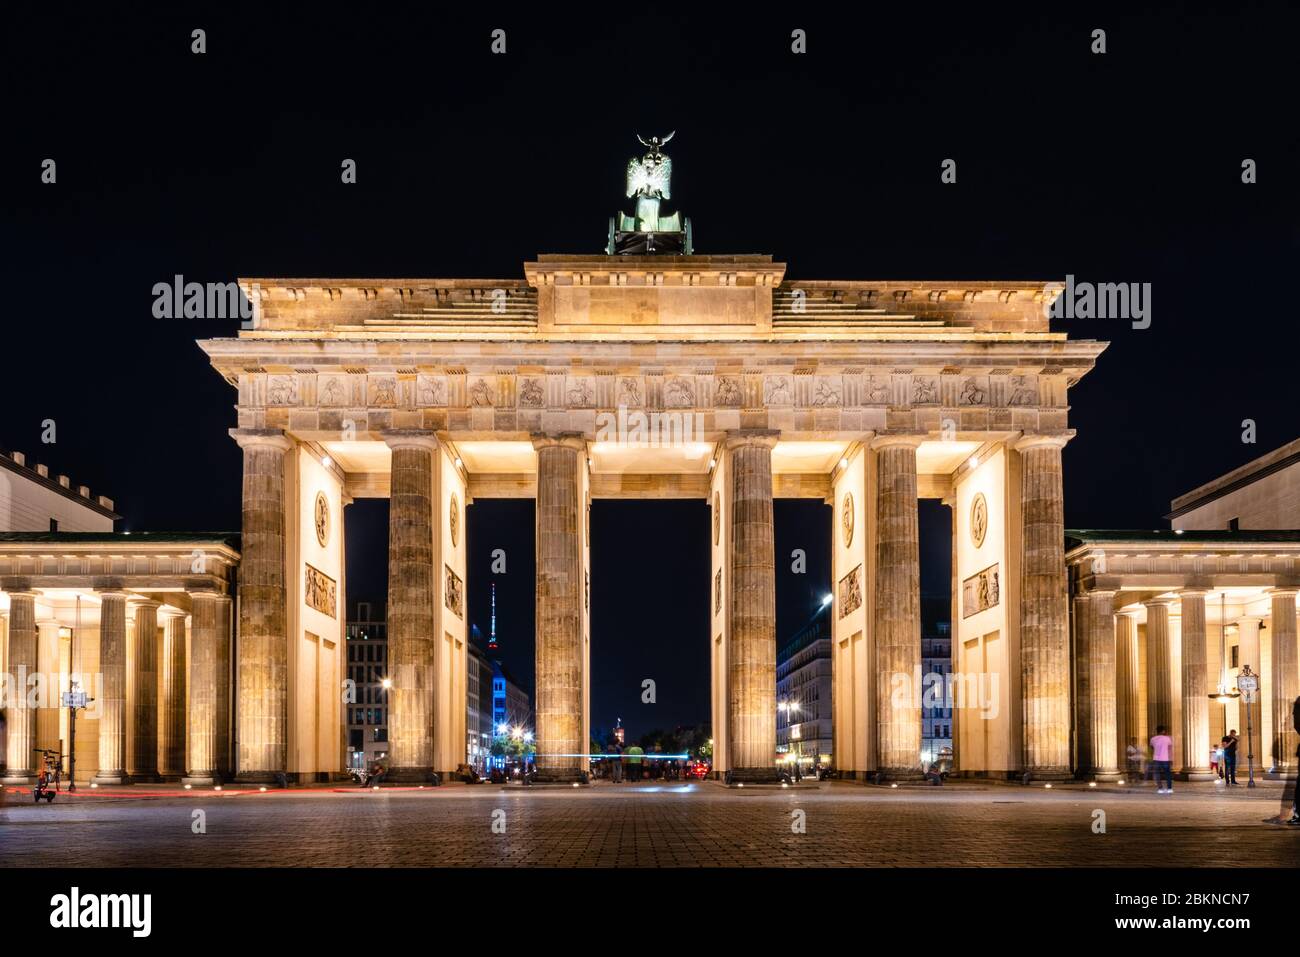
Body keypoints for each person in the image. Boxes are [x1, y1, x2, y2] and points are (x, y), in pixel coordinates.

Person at [1150, 725, 1174, 794]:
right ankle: (1169, 788)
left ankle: (1160, 789)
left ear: (1157, 731)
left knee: (1157, 774)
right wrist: (1171, 758)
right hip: (1165, 759)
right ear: (1163, 731)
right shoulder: (1167, 739)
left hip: (1156, 758)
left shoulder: (1153, 739)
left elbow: (1152, 747)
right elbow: (1169, 748)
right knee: (1167, 774)